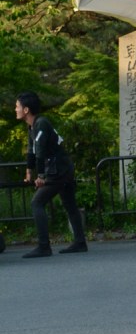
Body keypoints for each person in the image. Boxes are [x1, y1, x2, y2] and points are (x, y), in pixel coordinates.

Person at [15, 92, 88, 258]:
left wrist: (40, 176)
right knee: (69, 203)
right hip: (62, 167)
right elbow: (31, 151)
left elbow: (40, 151)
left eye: (17, 106)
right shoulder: (32, 125)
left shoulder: (41, 123)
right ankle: (80, 242)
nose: (15, 109)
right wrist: (28, 172)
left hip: (58, 170)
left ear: (26, 109)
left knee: (37, 202)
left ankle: (44, 246)